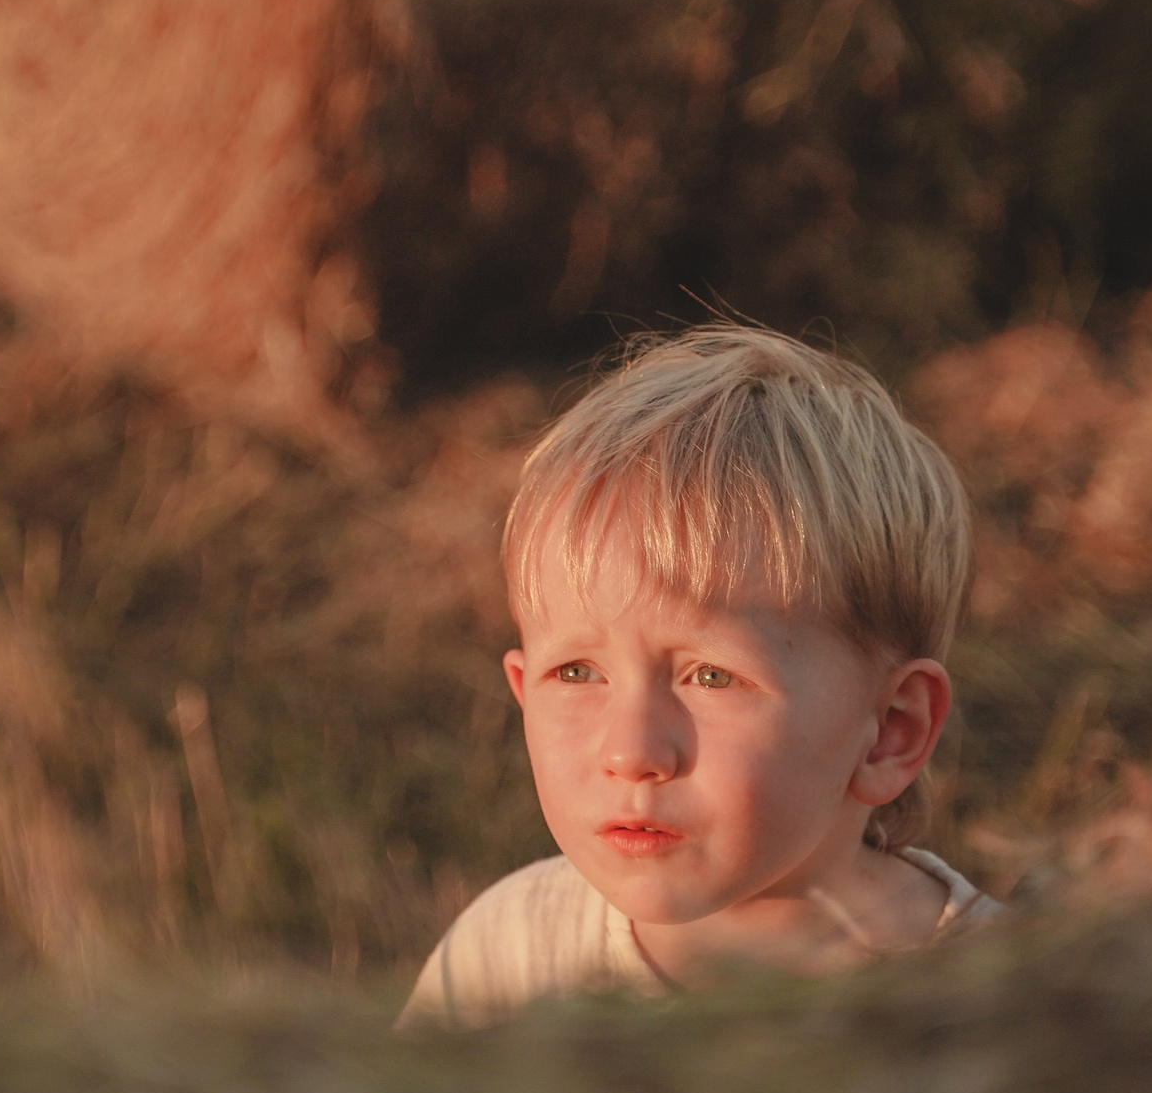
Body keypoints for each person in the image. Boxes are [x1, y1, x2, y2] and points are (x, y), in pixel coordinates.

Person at [400, 324, 999, 1030]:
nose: (631, 752)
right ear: (522, 688)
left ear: (890, 732)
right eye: (577, 670)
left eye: (711, 675)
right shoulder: (511, 958)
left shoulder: (1000, 1005)